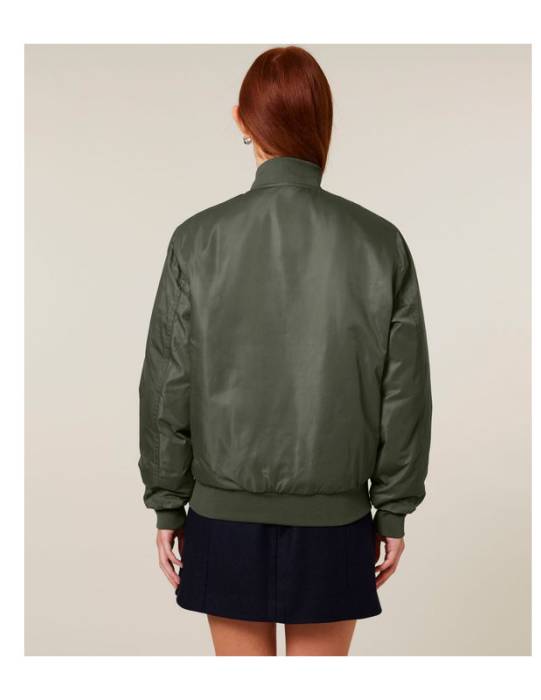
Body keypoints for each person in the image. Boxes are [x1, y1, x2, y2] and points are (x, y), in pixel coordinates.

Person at [137, 46, 432, 656]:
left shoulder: (197, 240)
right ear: (323, 124)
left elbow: (168, 384)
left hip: (224, 522)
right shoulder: (380, 243)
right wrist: (392, 511)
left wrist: (168, 504)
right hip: (336, 523)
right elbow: (403, 393)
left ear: (242, 121)